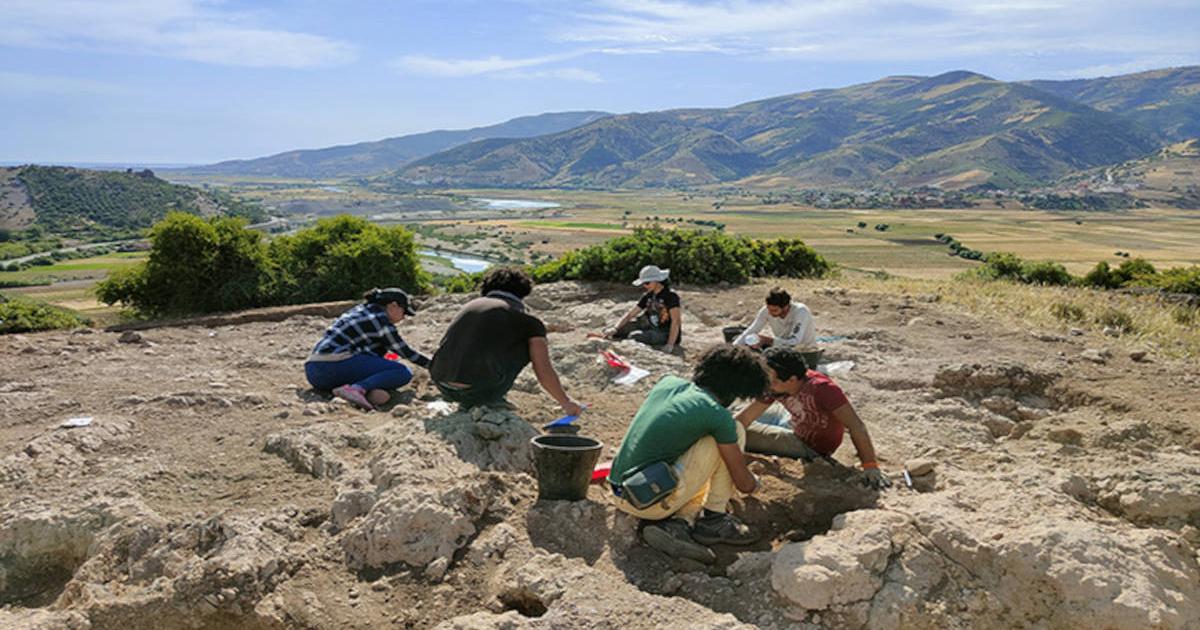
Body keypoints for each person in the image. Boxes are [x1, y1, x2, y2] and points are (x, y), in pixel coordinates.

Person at [609, 344, 767, 563]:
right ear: (736, 391)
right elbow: (744, 485)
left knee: (711, 438)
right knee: (731, 432)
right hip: (647, 503)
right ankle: (714, 519)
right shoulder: (717, 415)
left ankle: (678, 524)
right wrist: (755, 483)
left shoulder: (668, 383)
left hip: (621, 490)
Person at [430, 266, 583, 415]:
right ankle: (490, 398)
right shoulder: (527, 321)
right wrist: (565, 402)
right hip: (478, 392)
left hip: (442, 384)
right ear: (523, 293)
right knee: (532, 341)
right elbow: (542, 368)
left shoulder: (469, 306)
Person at [737, 347, 891, 490]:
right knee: (732, 416)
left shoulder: (823, 389)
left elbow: (856, 426)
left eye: (772, 381)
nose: (767, 384)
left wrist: (870, 466)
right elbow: (746, 416)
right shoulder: (777, 386)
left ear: (791, 380)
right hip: (794, 419)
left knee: (742, 433)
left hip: (809, 445)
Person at [305, 287, 429, 410]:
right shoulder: (379, 320)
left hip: (314, 372)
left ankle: (356, 392)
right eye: (404, 312)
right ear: (393, 305)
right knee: (402, 372)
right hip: (333, 365)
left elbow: (370, 353)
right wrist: (433, 365)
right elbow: (404, 351)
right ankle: (356, 389)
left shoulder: (361, 311)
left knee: (382, 392)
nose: (404, 317)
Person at [605, 265, 682, 354]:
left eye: (647, 283)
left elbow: (675, 321)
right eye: (643, 283)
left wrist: (670, 344)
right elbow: (631, 314)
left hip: (664, 332)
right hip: (649, 325)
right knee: (615, 330)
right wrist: (615, 328)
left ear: (656, 280)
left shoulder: (671, 296)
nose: (645, 286)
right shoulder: (648, 295)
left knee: (634, 336)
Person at [732, 287, 816, 351]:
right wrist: (733, 347)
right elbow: (752, 330)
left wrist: (768, 340)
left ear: (785, 307)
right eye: (769, 309)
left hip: (805, 350)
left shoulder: (800, 311)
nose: (770, 313)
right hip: (781, 347)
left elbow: (794, 342)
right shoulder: (766, 311)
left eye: (774, 310)